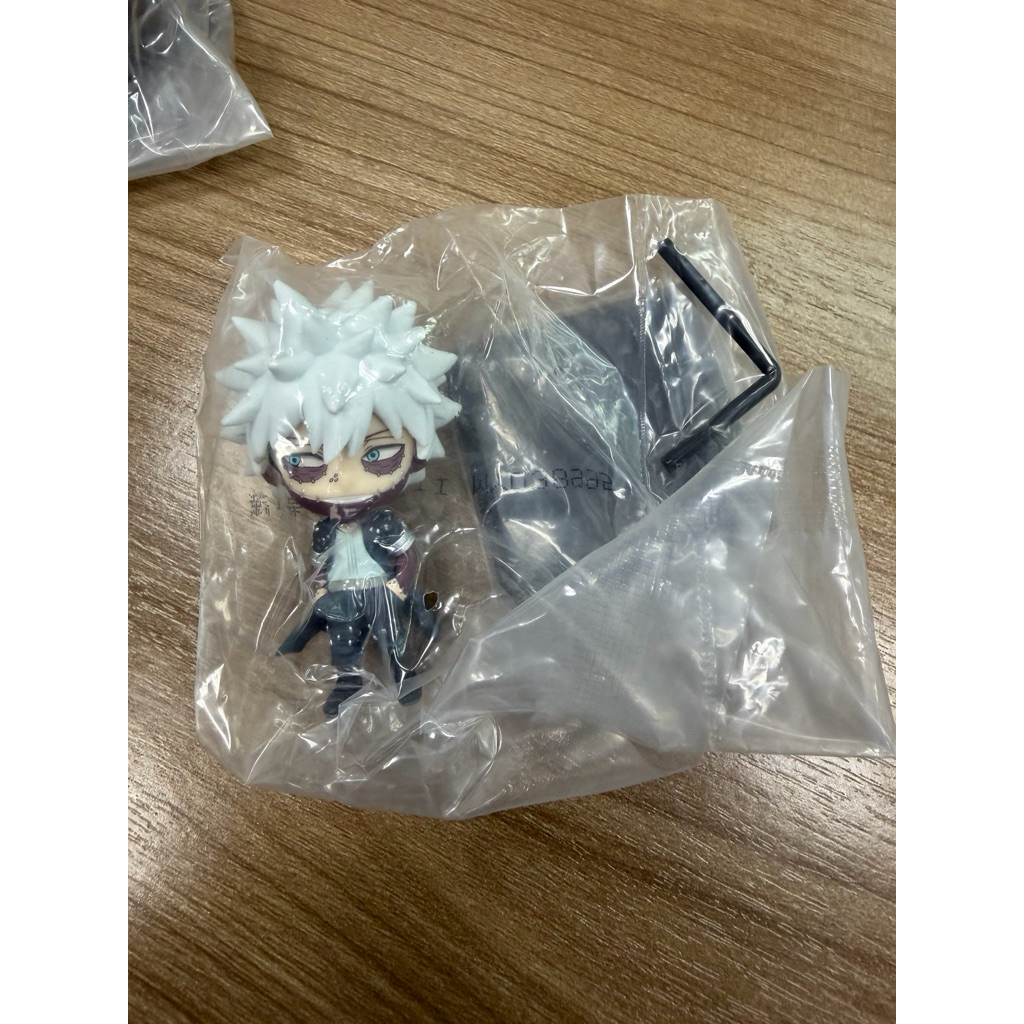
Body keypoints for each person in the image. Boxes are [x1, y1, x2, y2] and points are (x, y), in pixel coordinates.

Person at [217, 278, 460, 714]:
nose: (342, 481)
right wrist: (318, 593)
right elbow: (318, 567)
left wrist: (399, 586)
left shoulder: (385, 523)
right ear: (273, 470)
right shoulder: (323, 532)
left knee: (391, 637)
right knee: (343, 646)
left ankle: (403, 675)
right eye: (306, 462)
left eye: (377, 454)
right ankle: (347, 682)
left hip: (379, 591)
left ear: (417, 455)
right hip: (342, 596)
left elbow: (406, 556)